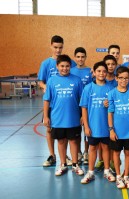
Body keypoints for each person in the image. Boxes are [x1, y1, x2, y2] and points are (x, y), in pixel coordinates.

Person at [43, 54, 84, 176]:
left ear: (70, 66)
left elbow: (82, 100)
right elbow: (46, 100)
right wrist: (46, 116)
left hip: (73, 118)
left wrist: (82, 115)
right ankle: (63, 164)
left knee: (74, 141)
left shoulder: (77, 80)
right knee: (61, 142)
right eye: (62, 66)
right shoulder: (52, 81)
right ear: (57, 66)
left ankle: (75, 165)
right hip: (57, 118)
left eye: (67, 66)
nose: (64, 68)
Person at [38, 35, 74, 167]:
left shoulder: (69, 62)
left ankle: (66, 156)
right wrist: (45, 87)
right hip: (52, 102)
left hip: (66, 102)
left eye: (60, 47)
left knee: (67, 131)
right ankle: (52, 155)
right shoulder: (46, 63)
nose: (58, 50)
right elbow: (40, 81)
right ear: (51, 46)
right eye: (55, 47)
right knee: (49, 129)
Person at [80, 61, 115, 184]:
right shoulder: (88, 88)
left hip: (106, 126)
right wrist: (86, 126)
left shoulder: (111, 88)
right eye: (99, 71)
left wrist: (110, 103)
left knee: (106, 147)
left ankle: (106, 170)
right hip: (93, 126)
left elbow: (115, 105)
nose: (101, 73)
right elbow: (84, 107)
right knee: (92, 148)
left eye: (104, 71)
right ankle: (90, 172)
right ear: (94, 72)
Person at [108, 66, 129, 189]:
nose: (123, 80)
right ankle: (118, 176)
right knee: (116, 153)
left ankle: (126, 176)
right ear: (116, 78)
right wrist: (111, 130)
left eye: (126, 78)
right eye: (121, 78)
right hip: (116, 131)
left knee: (128, 153)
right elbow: (110, 113)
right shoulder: (112, 93)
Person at [71, 47, 93, 165]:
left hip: (87, 105)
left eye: (82, 57)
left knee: (87, 129)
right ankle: (78, 151)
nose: (80, 59)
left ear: (85, 57)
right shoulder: (71, 71)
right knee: (76, 130)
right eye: (78, 57)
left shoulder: (90, 71)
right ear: (75, 57)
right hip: (75, 105)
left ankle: (86, 152)